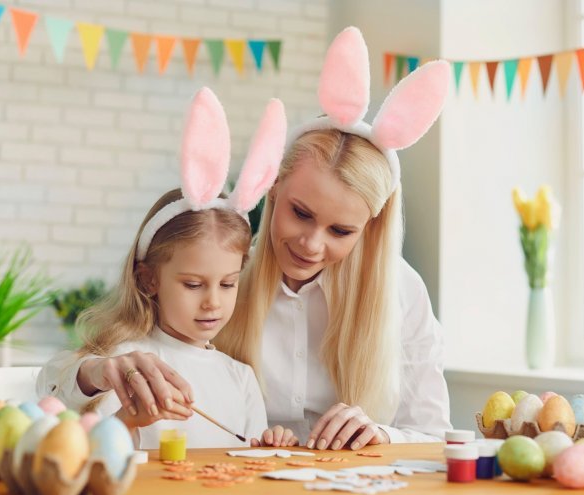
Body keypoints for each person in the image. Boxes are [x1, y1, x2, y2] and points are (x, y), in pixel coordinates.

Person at [40, 27, 453, 451]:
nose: (311, 244)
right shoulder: (223, 270)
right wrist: (99, 372)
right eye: (301, 213)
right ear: (272, 187)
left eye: (341, 231)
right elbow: (59, 382)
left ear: (371, 226)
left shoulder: (399, 292)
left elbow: (435, 437)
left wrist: (381, 434)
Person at [36, 89, 298, 448]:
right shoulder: (130, 363)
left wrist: (271, 445)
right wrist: (125, 414)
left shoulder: (241, 378)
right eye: (193, 284)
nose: (212, 302)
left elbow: (246, 466)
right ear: (148, 279)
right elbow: (85, 436)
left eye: (227, 284)